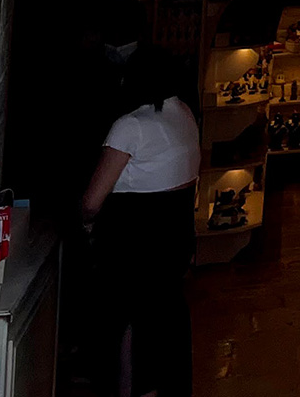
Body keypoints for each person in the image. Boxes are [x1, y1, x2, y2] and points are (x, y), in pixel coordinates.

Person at [80, 46, 197, 397]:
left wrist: (85, 227)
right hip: (174, 241)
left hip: (133, 245)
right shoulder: (184, 114)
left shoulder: (130, 126)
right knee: (158, 319)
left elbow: (91, 202)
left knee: (122, 324)